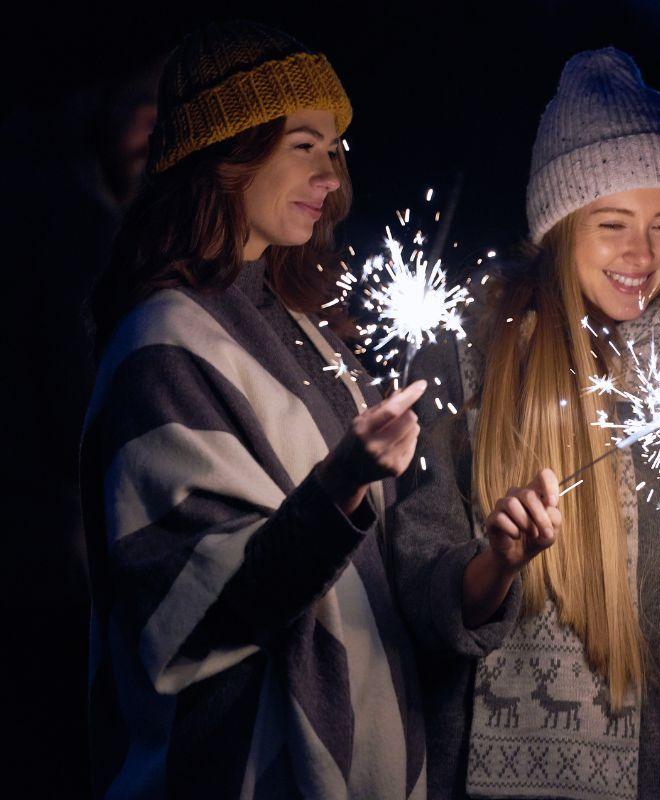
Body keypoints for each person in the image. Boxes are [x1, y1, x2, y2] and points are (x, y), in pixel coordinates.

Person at [393, 47, 660, 800]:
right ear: (562, 227)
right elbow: (418, 583)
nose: (643, 253)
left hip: (656, 776)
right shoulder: (463, 364)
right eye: (613, 224)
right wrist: (497, 561)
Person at [83, 22, 428, 798]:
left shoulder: (301, 328)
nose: (331, 176)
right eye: (304, 144)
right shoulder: (162, 345)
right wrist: (342, 480)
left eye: (337, 149)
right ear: (226, 152)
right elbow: (190, 608)